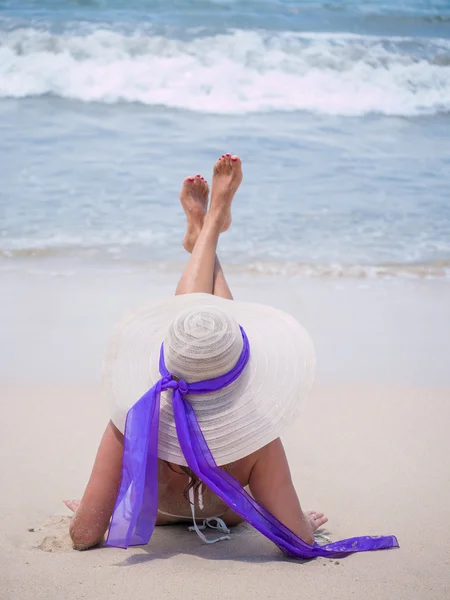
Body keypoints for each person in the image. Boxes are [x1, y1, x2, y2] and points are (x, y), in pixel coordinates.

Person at [64, 154, 398, 558]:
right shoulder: (256, 434)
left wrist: (91, 511)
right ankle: (209, 229)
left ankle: (206, 233)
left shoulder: (134, 416)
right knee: (213, 335)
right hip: (232, 514)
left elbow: (84, 536)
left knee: (194, 331)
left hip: (158, 515)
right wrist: (300, 521)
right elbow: (300, 541)